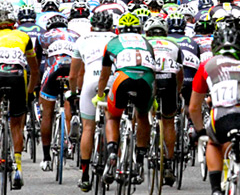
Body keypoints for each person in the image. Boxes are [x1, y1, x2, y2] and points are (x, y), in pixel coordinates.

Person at [189, 24, 240, 195]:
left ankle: (216, 189)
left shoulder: (207, 64)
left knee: (213, 141)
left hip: (222, 119)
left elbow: (194, 107)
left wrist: (200, 131)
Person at [93, 13, 157, 185]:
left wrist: (99, 95)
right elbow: (153, 71)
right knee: (143, 116)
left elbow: (104, 76)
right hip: (146, 80)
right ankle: (140, 160)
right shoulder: (147, 43)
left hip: (122, 78)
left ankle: (113, 150)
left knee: (113, 116)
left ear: (118, 30)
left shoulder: (112, 43)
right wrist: (154, 99)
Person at [68, 11, 116, 192]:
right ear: (111, 27)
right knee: (113, 122)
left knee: (88, 127)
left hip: (90, 83)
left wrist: (74, 93)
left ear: (91, 26)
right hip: (111, 82)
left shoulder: (83, 39)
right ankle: (114, 159)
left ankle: (85, 175)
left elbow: (74, 75)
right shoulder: (115, 38)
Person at [0, 1, 39, 189]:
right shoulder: (23, 36)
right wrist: (30, 93)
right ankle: (18, 168)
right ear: (14, 22)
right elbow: (34, 69)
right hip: (16, 76)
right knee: (16, 124)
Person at [36, 14, 80, 171]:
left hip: (53, 70)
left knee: (47, 115)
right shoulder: (76, 35)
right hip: (72, 70)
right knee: (70, 99)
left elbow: (37, 63)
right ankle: (72, 125)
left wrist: (37, 85)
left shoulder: (43, 37)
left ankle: (47, 158)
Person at [144, 17, 183, 186]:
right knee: (168, 121)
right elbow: (180, 70)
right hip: (169, 79)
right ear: (165, 32)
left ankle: (137, 151)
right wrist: (178, 91)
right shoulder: (174, 44)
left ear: (147, 32)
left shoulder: (143, 42)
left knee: (140, 113)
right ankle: (168, 163)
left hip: (149, 79)